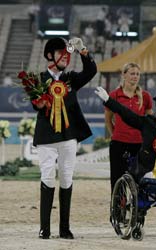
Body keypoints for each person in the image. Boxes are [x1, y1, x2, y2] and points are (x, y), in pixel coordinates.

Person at [33, 37, 97, 239]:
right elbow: (35, 104)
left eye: (68, 55)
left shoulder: (70, 79)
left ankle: (64, 228)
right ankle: (45, 228)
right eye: (63, 53)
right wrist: (40, 104)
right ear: (50, 55)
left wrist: (83, 51)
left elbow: (91, 72)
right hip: (46, 136)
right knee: (48, 176)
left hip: (69, 136)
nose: (66, 58)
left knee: (67, 177)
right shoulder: (38, 79)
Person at [104, 63, 152, 194]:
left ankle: (139, 211)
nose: (135, 76)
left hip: (139, 144)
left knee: (140, 180)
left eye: (137, 74)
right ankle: (117, 211)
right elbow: (108, 119)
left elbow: (149, 121)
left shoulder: (146, 97)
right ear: (124, 75)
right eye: (132, 73)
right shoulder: (114, 95)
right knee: (117, 180)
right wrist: (114, 134)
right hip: (119, 143)